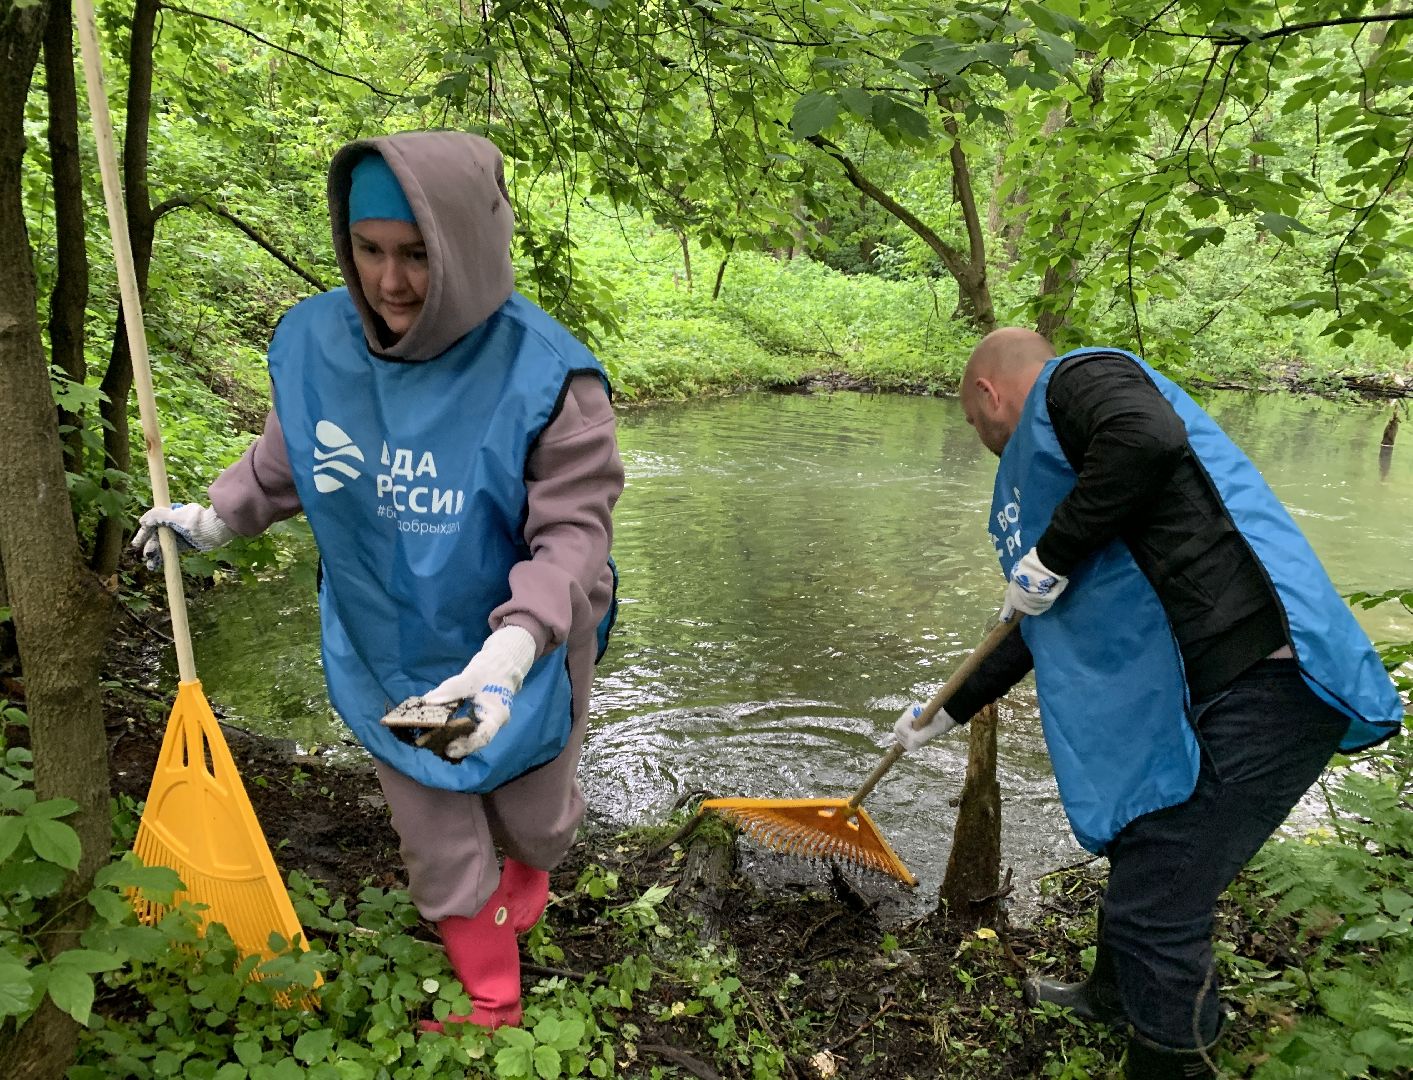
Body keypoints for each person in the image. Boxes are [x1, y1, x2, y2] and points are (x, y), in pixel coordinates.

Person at [132, 131, 624, 1033]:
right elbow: (294, 464)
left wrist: (508, 657)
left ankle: (527, 876)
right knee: (437, 830)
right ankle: (493, 1006)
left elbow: (571, 539)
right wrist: (213, 519)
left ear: (468, 247)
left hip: (525, 641)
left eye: (417, 255)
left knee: (534, 812)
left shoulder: (549, 378)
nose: (390, 284)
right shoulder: (321, 347)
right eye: (370, 251)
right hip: (390, 641)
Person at [893, 328, 1402, 1079]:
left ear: (985, 395)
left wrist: (1050, 553)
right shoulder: (1087, 489)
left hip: (1268, 683)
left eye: (975, 427)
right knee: (1143, 838)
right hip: (1208, 688)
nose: (983, 442)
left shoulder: (1083, 381)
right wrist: (942, 712)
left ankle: (1172, 1061)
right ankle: (1113, 997)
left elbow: (1147, 437)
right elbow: (1041, 622)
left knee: (1158, 901)